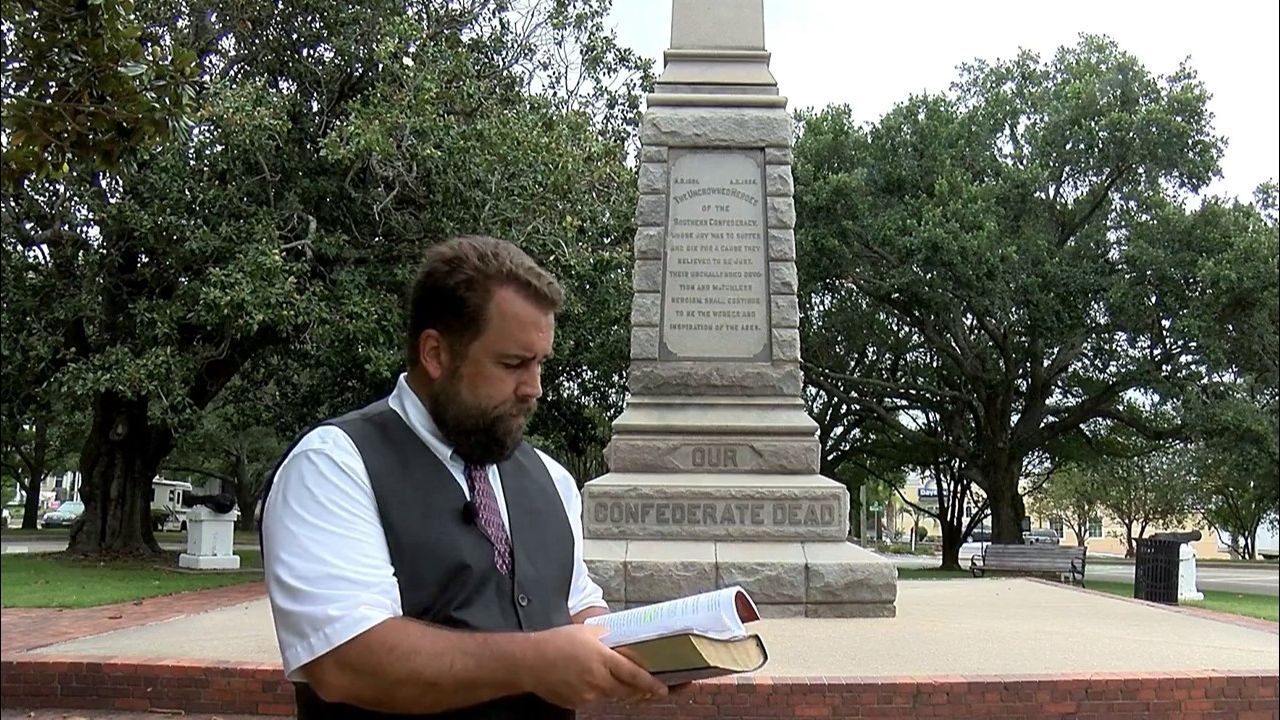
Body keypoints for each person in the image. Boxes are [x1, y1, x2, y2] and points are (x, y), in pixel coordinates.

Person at [261, 235, 667, 719]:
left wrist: (649, 656)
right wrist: (533, 663)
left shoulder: (552, 479)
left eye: (540, 363)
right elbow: (345, 660)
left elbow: (580, 610)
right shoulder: (333, 466)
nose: (534, 388)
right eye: (512, 364)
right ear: (435, 354)